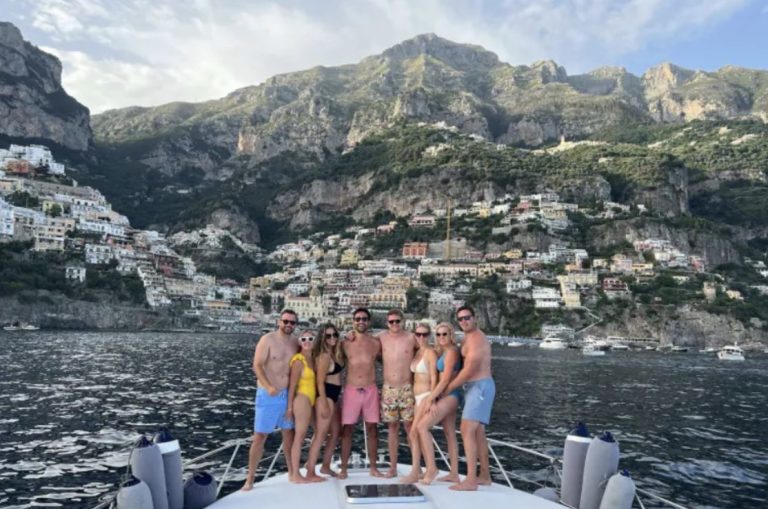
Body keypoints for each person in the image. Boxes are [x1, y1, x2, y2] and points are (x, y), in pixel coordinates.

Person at [242, 309, 299, 491]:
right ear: (279, 321)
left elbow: (312, 348)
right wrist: (268, 387)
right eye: (285, 321)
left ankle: (292, 472)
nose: (288, 325)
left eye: (292, 322)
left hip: (287, 395)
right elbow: (257, 365)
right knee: (260, 436)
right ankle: (250, 479)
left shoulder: (296, 343)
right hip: (268, 395)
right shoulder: (267, 340)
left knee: (289, 434)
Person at [444, 305, 495, 491]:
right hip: (475, 387)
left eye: (467, 317)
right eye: (461, 319)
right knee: (478, 432)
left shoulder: (477, 340)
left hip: (480, 387)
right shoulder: (468, 337)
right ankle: (485, 475)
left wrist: (447, 388)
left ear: (475, 318)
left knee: (466, 430)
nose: (464, 321)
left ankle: (471, 480)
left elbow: (468, 371)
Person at [416, 322, 462, 485]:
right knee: (449, 434)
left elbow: (445, 380)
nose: (441, 337)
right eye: (438, 334)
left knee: (422, 427)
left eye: (444, 334)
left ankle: (432, 468)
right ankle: (454, 473)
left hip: (449, 396)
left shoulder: (452, 352)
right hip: (447, 396)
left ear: (451, 335)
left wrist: (431, 398)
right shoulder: (445, 351)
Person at [339, 307, 383, 479]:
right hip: (351, 390)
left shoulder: (376, 343)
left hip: (370, 390)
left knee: (373, 429)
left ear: (369, 322)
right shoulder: (345, 343)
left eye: (364, 319)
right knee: (347, 430)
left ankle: (373, 467)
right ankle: (343, 468)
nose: (361, 322)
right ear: (353, 321)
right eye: (357, 319)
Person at [378, 309, 418, 478]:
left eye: (397, 321)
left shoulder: (412, 338)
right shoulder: (381, 337)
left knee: (410, 427)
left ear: (403, 321)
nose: (394, 324)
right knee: (392, 428)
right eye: (391, 321)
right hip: (389, 389)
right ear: (387, 323)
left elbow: (426, 352)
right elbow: (364, 341)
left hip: (407, 388)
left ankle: (416, 467)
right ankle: (393, 467)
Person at [304, 323, 345, 480]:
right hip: (325, 395)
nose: (332, 338)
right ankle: (310, 471)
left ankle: (325, 466)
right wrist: (323, 402)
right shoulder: (324, 356)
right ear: (322, 337)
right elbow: (320, 382)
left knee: (335, 432)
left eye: (334, 335)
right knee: (321, 434)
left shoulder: (333, 352)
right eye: (328, 336)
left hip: (333, 395)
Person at [400, 323, 438, 483]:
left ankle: (428, 469)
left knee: (415, 431)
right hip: (416, 398)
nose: (421, 337)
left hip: (426, 396)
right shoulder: (417, 352)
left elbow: (435, 378)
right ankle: (419, 469)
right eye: (418, 334)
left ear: (429, 335)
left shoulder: (430, 353)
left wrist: (432, 400)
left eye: (424, 334)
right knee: (414, 434)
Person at [286, 329, 318, 483]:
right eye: (304, 339)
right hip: (302, 399)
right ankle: (296, 474)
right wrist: (289, 408)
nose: (307, 342)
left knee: (318, 431)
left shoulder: (313, 359)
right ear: (299, 342)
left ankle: (308, 465)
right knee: (299, 437)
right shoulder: (299, 361)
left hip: (312, 400)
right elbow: (292, 386)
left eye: (310, 339)